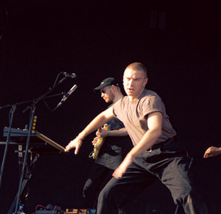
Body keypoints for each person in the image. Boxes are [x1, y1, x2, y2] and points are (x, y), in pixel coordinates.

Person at [64, 62, 209, 214]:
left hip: (167, 155)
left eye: (136, 79)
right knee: (107, 195)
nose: (130, 84)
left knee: (187, 193)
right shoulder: (122, 104)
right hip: (142, 159)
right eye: (127, 79)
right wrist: (79, 137)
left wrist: (130, 156)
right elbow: (102, 117)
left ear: (145, 81)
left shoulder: (150, 98)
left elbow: (155, 131)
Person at [81, 77, 132, 214]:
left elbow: (129, 129)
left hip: (119, 153)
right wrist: (99, 140)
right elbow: (106, 132)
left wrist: (107, 134)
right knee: (88, 189)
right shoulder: (110, 108)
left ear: (113, 88)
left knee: (118, 193)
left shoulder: (127, 104)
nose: (102, 95)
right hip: (104, 155)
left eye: (103, 91)